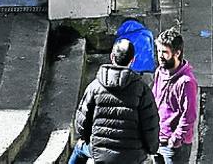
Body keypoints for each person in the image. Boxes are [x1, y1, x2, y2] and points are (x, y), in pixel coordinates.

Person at [73, 39, 161, 164]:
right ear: (133, 60)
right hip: (133, 156)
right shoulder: (142, 90)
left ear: (112, 57)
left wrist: (87, 139)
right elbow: (150, 127)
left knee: (78, 149)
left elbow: (81, 125)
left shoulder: (94, 87)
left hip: (100, 155)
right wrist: (151, 150)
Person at [153, 29, 199, 164]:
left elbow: (189, 115)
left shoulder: (186, 82)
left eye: (165, 52)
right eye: (159, 51)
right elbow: (155, 99)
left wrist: (176, 138)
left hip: (174, 146)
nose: (160, 56)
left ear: (177, 53)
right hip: (157, 138)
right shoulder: (159, 72)